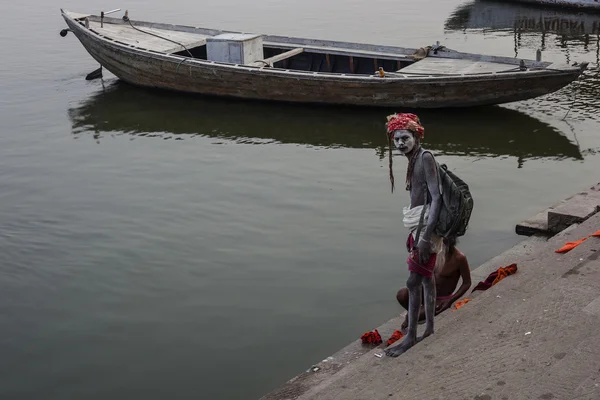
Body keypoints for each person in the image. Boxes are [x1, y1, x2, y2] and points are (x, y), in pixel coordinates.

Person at [383, 113, 444, 358]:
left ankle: (411, 336)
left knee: (412, 281)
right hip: (418, 223)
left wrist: (425, 236)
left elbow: (437, 197)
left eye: (404, 138)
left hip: (426, 226)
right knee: (427, 278)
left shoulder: (425, 157)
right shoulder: (413, 159)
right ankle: (428, 328)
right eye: (396, 139)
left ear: (416, 136)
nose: (400, 143)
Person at [396, 236, 471, 331]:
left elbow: (467, 283)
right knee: (402, 294)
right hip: (426, 292)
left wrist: (450, 301)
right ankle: (420, 313)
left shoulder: (459, 258)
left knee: (411, 316)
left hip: (441, 299)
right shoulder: (433, 254)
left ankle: (420, 315)